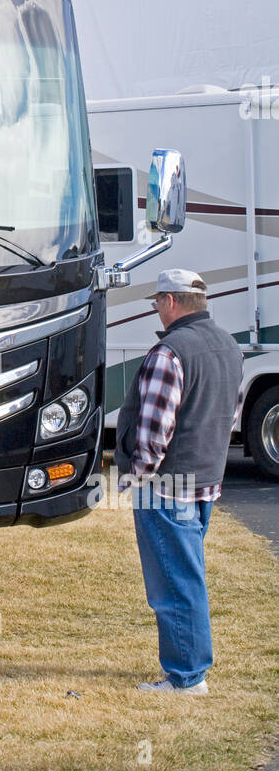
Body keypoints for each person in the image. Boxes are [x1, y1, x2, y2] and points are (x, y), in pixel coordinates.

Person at [115, 268, 243, 695]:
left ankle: (187, 678)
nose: (155, 308)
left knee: (174, 585)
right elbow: (228, 411)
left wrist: (135, 475)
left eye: (156, 301)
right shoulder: (228, 345)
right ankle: (190, 670)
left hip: (167, 489)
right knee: (188, 578)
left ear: (170, 302)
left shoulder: (170, 353)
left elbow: (155, 430)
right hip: (206, 480)